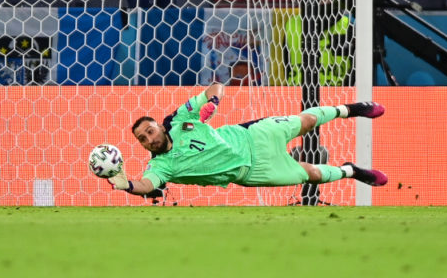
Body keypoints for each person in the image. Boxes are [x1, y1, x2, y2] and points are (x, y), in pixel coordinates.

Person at [107, 83, 388, 195]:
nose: (148, 138)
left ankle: (351, 109)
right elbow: (146, 185)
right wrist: (126, 185)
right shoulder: (160, 167)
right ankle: (351, 171)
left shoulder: (179, 120)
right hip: (253, 171)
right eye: (143, 139)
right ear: (143, 145)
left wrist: (213, 100)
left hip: (253, 135)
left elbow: (216, 86)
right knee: (311, 174)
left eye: (150, 130)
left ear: (158, 126)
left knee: (306, 121)